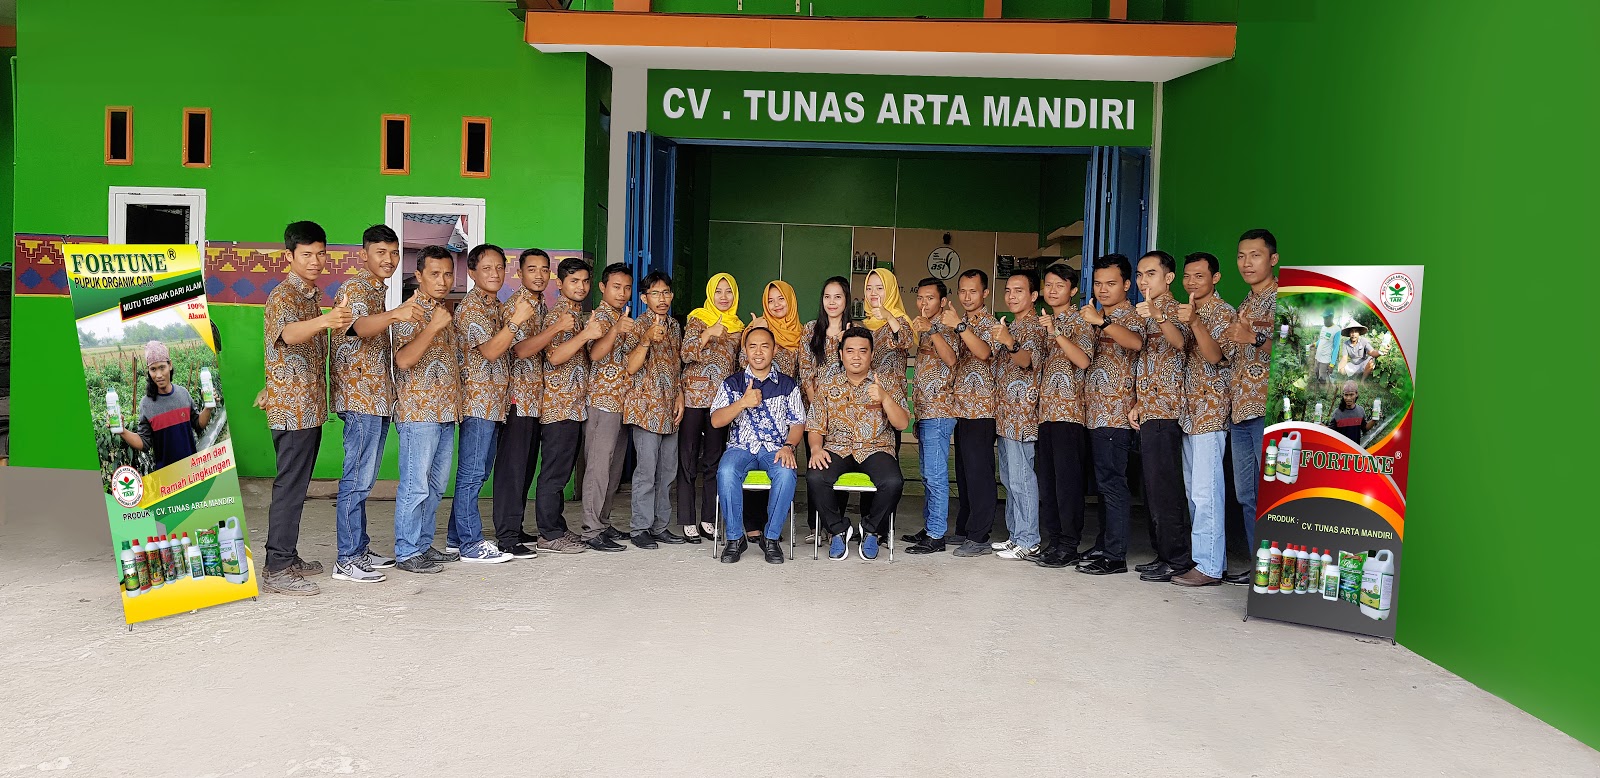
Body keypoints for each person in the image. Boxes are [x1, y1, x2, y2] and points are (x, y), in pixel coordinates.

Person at [260, 221, 353, 596]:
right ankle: (277, 567)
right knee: (289, 487)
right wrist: (327, 320)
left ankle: (287, 555)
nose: (315, 261)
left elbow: (283, 352)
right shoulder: (284, 296)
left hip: (307, 407)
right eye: (306, 254)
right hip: (293, 411)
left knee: (297, 488)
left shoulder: (310, 296)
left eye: (320, 254)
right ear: (289, 256)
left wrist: (270, 382)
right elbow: (288, 334)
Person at [329, 224, 420, 583]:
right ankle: (347, 559)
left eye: (394, 253)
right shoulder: (355, 288)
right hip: (361, 397)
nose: (389, 259)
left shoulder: (375, 289)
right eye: (381, 252)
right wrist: (397, 314)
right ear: (363, 254)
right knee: (357, 480)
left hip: (376, 397)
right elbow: (356, 327)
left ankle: (360, 548)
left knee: (364, 480)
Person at [444, 244, 527, 564]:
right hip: (477, 403)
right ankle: (470, 542)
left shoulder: (496, 306)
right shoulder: (471, 308)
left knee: (478, 473)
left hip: (494, 403)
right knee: (472, 474)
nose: (495, 273)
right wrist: (516, 321)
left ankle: (455, 538)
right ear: (472, 272)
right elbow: (491, 351)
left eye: (499, 267)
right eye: (487, 268)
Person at [493, 249, 578, 557]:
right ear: (519, 273)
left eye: (544, 270)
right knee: (513, 471)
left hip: (535, 401)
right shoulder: (516, 306)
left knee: (526, 468)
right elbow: (520, 350)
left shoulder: (541, 305)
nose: (539, 275)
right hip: (517, 399)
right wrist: (556, 329)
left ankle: (515, 528)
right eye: (532, 269)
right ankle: (506, 537)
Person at [391, 245, 466, 574]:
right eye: (434, 274)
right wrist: (432, 327)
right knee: (415, 485)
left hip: (445, 412)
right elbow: (403, 360)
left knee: (435, 486)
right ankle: (407, 551)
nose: (442, 280)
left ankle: (422, 545)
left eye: (448, 274)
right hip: (418, 413)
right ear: (418, 275)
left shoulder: (443, 312)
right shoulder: (409, 312)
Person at [806, 327, 910, 561]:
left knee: (892, 482)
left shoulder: (886, 382)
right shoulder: (827, 385)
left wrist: (884, 398)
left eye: (863, 351)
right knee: (815, 477)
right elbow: (815, 426)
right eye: (850, 350)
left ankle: (871, 530)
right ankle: (838, 530)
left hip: (876, 448)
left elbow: (902, 423)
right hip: (837, 447)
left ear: (871, 354)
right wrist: (816, 449)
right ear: (841, 354)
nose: (856, 356)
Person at [711, 326, 805, 564]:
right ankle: (735, 539)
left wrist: (789, 446)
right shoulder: (732, 383)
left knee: (786, 473)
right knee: (726, 471)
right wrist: (742, 402)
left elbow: (798, 423)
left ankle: (770, 538)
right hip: (740, 447)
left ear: (774, 350)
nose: (758, 352)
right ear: (745, 351)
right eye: (752, 346)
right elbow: (716, 420)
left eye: (765, 346)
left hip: (775, 448)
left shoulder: (787, 384)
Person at [1171, 252, 1238, 588]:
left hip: (1210, 411)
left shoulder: (1223, 312)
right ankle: (1210, 559)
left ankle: (1209, 567)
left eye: (1199, 276)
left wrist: (1195, 322)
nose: (1191, 282)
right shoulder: (1186, 311)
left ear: (1216, 278)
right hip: (1189, 412)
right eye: (1187, 276)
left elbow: (1216, 356)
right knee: (1193, 491)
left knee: (1206, 491)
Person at [1077, 253, 1145, 576]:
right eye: (1098, 283)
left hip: (1116, 414)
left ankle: (1115, 556)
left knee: (1113, 483)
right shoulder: (1096, 314)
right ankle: (1104, 543)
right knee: (1103, 484)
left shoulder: (1133, 316)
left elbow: (1135, 343)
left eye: (1111, 283)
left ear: (1127, 285)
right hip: (1093, 413)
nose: (1103, 289)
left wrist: (1102, 322)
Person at [536, 258, 609, 553]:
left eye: (585, 281)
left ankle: (557, 527)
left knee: (562, 473)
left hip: (575, 406)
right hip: (559, 406)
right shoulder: (559, 316)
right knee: (554, 473)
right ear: (560, 283)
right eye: (574, 281)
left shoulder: (578, 315)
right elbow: (554, 357)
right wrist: (586, 335)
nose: (581, 286)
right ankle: (548, 534)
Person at [1129, 251, 1194, 583]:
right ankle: (1163, 553)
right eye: (1140, 274)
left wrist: (1158, 315)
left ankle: (1178, 559)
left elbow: (1180, 343)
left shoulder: (1177, 310)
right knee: (1152, 488)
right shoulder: (1142, 312)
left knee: (1166, 487)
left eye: (1151, 274)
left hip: (1169, 411)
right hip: (1148, 409)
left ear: (1168, 278)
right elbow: (1145, 362)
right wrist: (1137, 402)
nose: (1144, 281)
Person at [1033, 264, 1095, 569]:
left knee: (1067, 484)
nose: (1053, 290)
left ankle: (1069, 545)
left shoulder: (1080, 321)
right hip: (1045, 415)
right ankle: (1054, 541)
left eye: (1060, 285)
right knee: (1048, 484)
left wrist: (1056, 333)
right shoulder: (1044, 322)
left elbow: (1083, 361)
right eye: (1048, 284)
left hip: (1070, 415)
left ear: (1073, 290)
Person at [623, 271, 687, 549]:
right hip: (646, 409)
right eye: (656, 293)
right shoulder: (637, 325)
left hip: (670, 408)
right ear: (643, 298)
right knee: (646, 473)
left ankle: (660, 526)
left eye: (666, 292)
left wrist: (680, 395)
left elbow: (676, 366)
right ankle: (640, 528)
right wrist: (646, 339)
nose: (662, 298)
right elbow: (630, 367)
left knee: (667, 472)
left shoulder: (674, 326)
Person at [1224, 229, 1279, 555]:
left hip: (1268, 410)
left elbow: (1296, 352)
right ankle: (1257, 566)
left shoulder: (1284, 299)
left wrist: (1254, 338)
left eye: (1255, 255)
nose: (1246, 263)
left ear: (1273, 259)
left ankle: (1272, 568)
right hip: (1240, 410)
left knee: (1273, 492)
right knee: (1246, 495)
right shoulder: (1246, 302)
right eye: (1241, 256)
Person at [678, 273, 743, 541]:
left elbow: (740, 365)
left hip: (721, 403)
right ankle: (686, 520)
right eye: (718, 291)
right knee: (688, 459)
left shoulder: (738, 327)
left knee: (714, 461)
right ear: (710, 294)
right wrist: (707, 333)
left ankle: (708, 519)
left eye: (729, 291)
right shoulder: (698, 318)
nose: (724, 297)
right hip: (694, 399)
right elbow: (685, 353)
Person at [988, 271, 1047, 562]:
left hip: (1023, 416)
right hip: (1006, 415)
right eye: (1008, 290)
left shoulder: (1035, 327)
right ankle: (1016, 535)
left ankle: (1029, 540)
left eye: (1019, 291)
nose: (1011, 296)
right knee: (1011, 478)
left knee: (1023, 478)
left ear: (1033, 296)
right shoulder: (1012, 325)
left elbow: (1026, 361)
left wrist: (1009, 341)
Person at [904, 278, 960, 555]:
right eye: (920, 298)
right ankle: (930, 527)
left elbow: (951, 360)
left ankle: (937, 535)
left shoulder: (946, 326)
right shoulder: (926, 327)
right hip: (926, 411)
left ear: (942, 301)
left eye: (930, 298)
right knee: (927, 475)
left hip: (940, 411)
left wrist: (932, 330)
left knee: (936, 476)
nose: (924, 303)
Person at [949, 269, 1002, 558]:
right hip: (961, 409)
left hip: (982, 409)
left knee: (980, 473)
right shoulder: (963, 321)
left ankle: (980, 535)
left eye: (973, 291)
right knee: (964, 472)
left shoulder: (990, 323)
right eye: (963, 291)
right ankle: (965, 528)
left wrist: (959, 327)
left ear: (985, 293)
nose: (967, 296)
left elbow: (983, 352)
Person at [799, 276, 852, 540]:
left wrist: (845, 341)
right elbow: (805, 370)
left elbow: (860, 368)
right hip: (816, 411)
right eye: (827, 297)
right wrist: (817, 406)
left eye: (838, 297)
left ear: (846, 300)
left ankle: (835, 525)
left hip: (846, 414)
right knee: (816, 465)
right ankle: (815, 526)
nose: (832, 302)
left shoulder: (854, 330)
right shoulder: (811, 329)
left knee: (839, 468)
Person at [119, 340, 215, 472]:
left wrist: (208, 408)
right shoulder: (146, 404)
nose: (158, 375)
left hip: (192, 469)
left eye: (162, 367)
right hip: (166, 474)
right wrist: (122, 431)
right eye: (153, 369)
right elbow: (144, 443)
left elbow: (199, 424)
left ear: (170, 365)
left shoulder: (183, 394)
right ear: (148, 371)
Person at [1313, 308, 1340, 384]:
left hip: (1325, 360)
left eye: (1326, 318)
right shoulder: (1323, 327)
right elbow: (1321, 340)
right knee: (1316, 373)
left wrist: (1332, 364)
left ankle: (1323, 389)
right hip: (1317, 357)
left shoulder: (1337, 330)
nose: (1324, 320)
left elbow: (1336, 348)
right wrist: (1314, 344)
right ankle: (1318, 387)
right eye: (1323, 318)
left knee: (1323, 379)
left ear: (1332, 317)